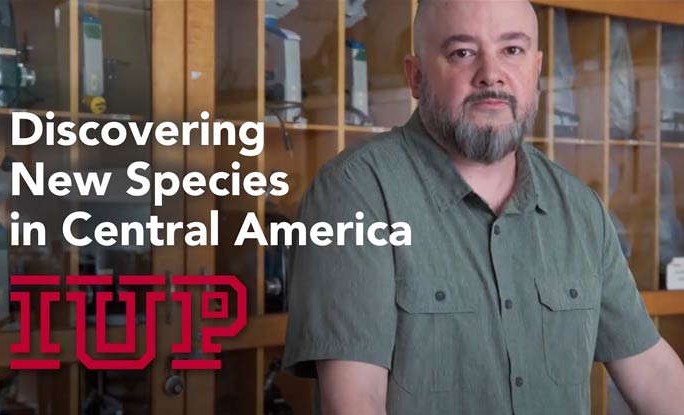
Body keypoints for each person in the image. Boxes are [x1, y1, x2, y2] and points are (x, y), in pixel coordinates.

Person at [281, 0, 684, 414]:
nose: (491, 74)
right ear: (416, 76)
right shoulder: (355, 195)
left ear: (537, 70)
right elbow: (353, 402)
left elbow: (653, 373)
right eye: (462, 53)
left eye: (512, 50)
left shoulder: (579, 207)